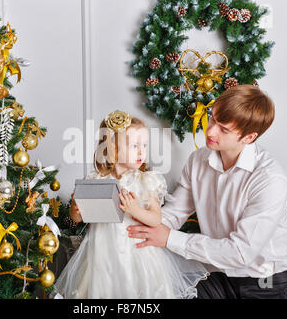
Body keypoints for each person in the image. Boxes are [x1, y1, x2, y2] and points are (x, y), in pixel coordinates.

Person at [126, 85, 287, 299]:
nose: (210, 131)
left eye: (224, 129)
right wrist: (131, 228)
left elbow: (241, 252)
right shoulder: (198, 160)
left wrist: (169, 239)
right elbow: (172, 215)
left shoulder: (270, 179)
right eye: (212, 119)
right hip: (219, 278)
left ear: (249, 137)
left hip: (272, 286)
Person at [54, 110, 209, 298]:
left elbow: (155, 219)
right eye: (134, 146)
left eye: (144, 145)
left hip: (136, 254)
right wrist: (75, 209)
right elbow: (78, 218)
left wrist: (134, 209)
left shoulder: (145, 181)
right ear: (113, 149)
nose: (142, 152)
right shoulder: (97, 180)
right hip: (101, 255)